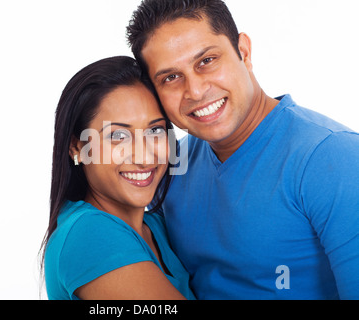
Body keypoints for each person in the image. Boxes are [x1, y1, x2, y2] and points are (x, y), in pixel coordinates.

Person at [126, 0, 359, 299]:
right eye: (171, 77)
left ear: (244, 52)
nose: (195, 91)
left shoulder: (333, 157)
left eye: (207, 60)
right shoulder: (168, 168)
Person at [40, 56, 196, 300]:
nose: (144, 157)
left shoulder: (156, 225)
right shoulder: (88, 233)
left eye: (155, 130)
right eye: (118, 135)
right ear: (76, 147)